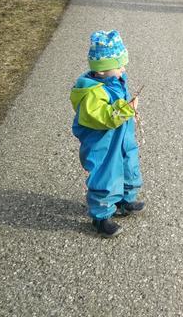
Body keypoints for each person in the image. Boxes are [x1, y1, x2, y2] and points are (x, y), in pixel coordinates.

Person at [70, 30, 143, 238]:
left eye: (123, 64)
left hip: (122, 138)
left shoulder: (115, 80)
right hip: (103, 143)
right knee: (106, 172)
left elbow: (120, 106)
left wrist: (130, 108)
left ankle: (125, 198)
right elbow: (102, 117)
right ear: (100, 71)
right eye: (118, 65)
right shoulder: (92, 93)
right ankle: (101, 215)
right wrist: (127, 108)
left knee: (128, 164)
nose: (123, 69)